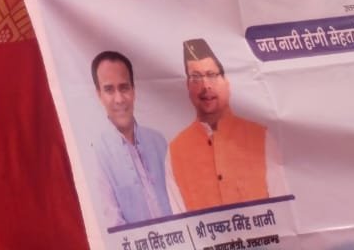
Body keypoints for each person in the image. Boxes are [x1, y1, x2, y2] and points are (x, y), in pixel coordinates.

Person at [167, 39, 284, 211]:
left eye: (211, 75)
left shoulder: (260, 138)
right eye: (196, 77)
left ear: (227, 81)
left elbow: (284, 209)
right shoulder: (175, 151)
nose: (205, 86)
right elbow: (179, 218)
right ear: (187, 86)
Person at [88, 51, 180, 227]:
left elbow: (179, 201)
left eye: (124, 88)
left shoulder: (158, 142)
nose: (119, 99)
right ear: (99, 95)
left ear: (133, 90)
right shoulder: (98, 153)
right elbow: (112, 221)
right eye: (109, 89)